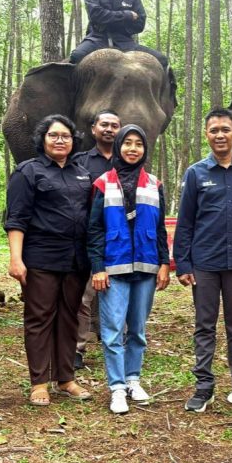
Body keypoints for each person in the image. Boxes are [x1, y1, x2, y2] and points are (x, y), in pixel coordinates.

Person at [175, 108, 232, 414]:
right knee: (204, 327)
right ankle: (204, 387)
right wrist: (184, 263)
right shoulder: (196, 173)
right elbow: (185, 221)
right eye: (213, 130)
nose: (219, 135)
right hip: (205, 262)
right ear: (207, 134)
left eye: (225, 130)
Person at [6, 115, 94, 407]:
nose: (60, 140)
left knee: (70, 318)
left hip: (76, 260)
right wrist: (16, 259)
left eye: (66, 136)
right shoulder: (28, 172)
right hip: (40, 258)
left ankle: (66, 378)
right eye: (54, 135)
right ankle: (39, 382)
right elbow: (16, 218)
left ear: (73, 140)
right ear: (42, 139)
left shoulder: (82, 173)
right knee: (40, 319)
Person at [88, 125, 170, 414]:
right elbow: (94, 229)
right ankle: (117, 388)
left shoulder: (154, 184)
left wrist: (164, 264)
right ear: (119, 146)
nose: (133, 149)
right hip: (113, 267)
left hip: (146, 267)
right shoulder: (102, 183)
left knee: (137, 330)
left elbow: (160, 229)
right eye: (128, 143)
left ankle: (134, 379)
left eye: (138, 144)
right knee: (112, 331)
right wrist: (98, 267)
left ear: (145, 149)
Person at [71, 110, 121, 370]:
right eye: (104, 125)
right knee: (83, 296)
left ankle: (115, 341)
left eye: (114, 125)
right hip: (88, 238)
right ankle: (77, 347)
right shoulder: (80, 162)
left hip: (120, 240)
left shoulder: (128, 162)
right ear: (93, 129)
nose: (109, 130)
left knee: (118, 292)